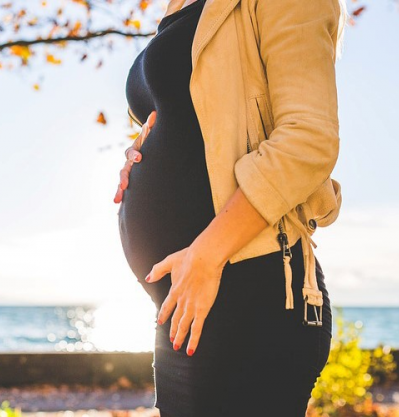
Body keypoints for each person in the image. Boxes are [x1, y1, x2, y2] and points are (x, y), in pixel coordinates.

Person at [114, 0, 348, 415]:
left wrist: (207, 254)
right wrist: (141, 151)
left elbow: (308, 140)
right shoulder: (180, 7)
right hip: (185, 299)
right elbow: (195, 119)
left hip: (248, 290)